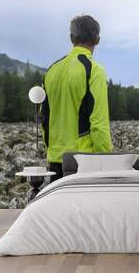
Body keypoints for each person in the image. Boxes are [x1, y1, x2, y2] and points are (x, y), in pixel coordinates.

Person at [41, 15, 113, 182]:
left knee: (59, 208)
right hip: (84, 161)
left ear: (72, 38)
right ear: (98, 40)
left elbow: (44, 118)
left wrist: (51, 150)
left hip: (55, 160)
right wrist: (107, 160)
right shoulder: (94, 70)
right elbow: (98, 122)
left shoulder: (51, 71)